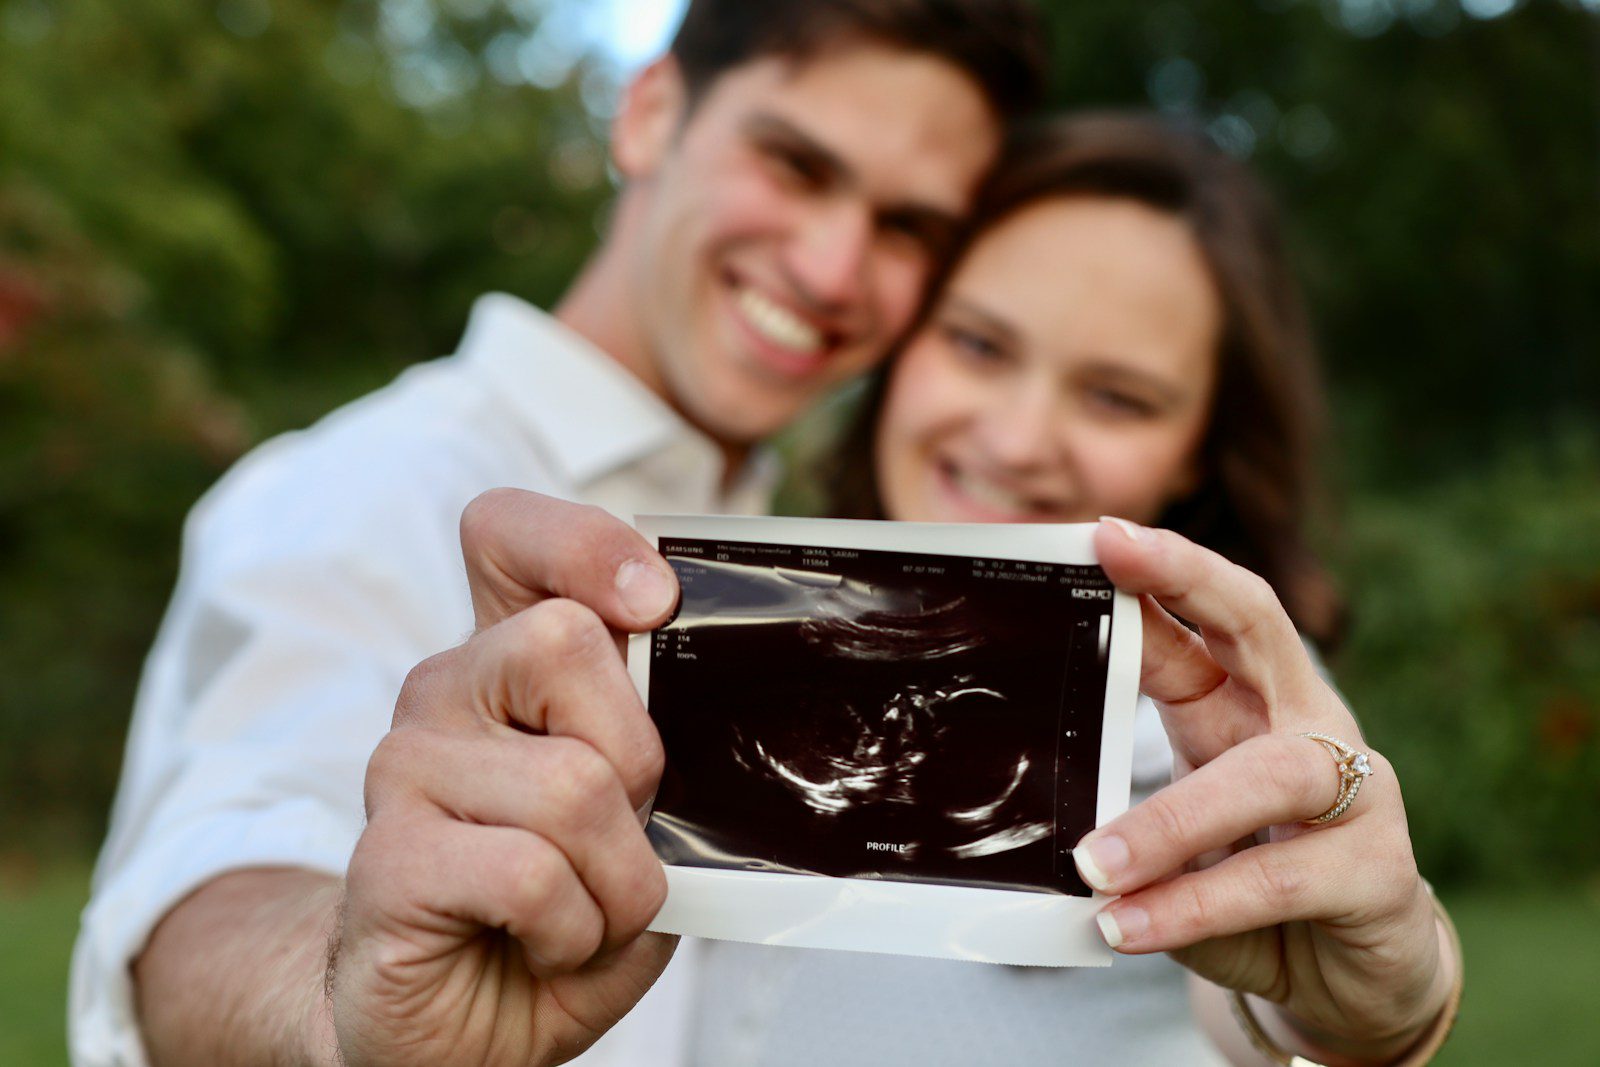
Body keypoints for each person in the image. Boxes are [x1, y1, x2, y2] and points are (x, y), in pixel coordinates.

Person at [68, 4, 1046, 1065]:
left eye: (908, 227)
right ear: (650, 112)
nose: (832, 269)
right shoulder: (363, 484)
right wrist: (341, 1007)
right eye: (795, 165)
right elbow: (211, 886)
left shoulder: (825, 571)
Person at [406, 113, 1462, 1065]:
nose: (1016, 438)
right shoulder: (734, 612)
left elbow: (1272, 983)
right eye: (977, 343)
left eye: (1116, 396)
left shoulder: (1211, 711)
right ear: (902, 342)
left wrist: (1374, 1008)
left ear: (1198, 448)